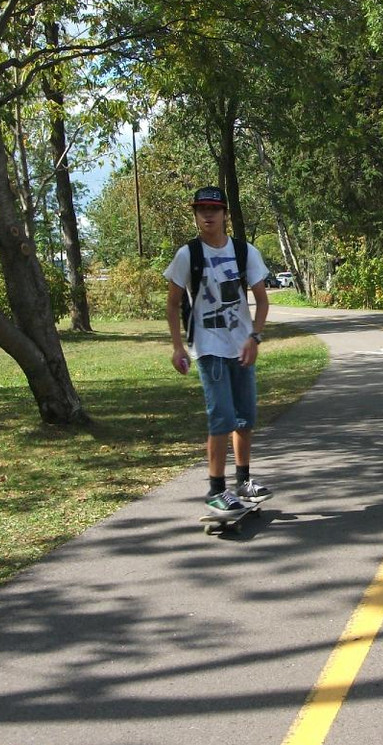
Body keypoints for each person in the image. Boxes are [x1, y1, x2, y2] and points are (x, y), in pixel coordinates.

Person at [165, 186, 273, 517]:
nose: (208, 215)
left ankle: (243, 481)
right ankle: (215, 491)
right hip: (209, 347)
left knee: (245, 417)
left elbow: (262, 300)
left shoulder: (244, 251)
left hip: (241, 345)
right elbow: (172, 303)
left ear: (225, 213)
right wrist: (177, 346)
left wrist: (254, 338)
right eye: (202, 210)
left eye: (214, 209)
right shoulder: (188, 255)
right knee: (222, 417)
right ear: (196, 215)